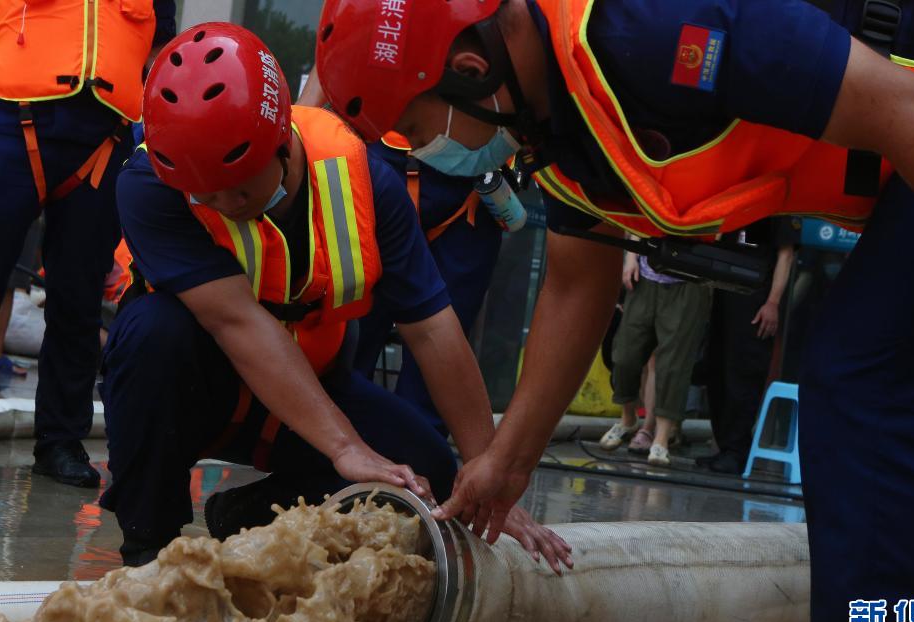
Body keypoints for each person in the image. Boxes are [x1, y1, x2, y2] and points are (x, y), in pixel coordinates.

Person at [315, 1, 914, 622]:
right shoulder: (554, 116)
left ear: (470, 69)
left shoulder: (652, 24)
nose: (428, 151)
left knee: (871, 389)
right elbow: (575, 282)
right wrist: (505, 464)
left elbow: (909, 110)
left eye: (416, 129)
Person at [101, 24, 570, 573]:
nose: (225, 203)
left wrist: (489, 469)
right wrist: (345, 448)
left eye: (241, 185)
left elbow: (432, 329)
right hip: (194, 391)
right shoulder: (147, 183)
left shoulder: (367, 182)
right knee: (154, 332)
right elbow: (237, 323)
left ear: (282, 141)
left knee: (426, 478)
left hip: (310, 384)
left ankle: (252, 516)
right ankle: (148, 546)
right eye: (206, 193)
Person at [0, 0, 176, 487]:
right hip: (8, 121)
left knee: (79, 295)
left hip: (104, 138)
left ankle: (60, 441)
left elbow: (160, 50)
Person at [353, 133, 503, 437]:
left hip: (473, 176)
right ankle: (335, 448)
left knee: (442, 343)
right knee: (354, 332)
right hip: (386, 155)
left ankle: (417, 458)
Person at [697, 217, 796, 475]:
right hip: (725, 292)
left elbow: (786, 255)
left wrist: (773, 302)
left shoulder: (779, 209)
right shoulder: (739, 205)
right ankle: (724, 445)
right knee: (717, 370)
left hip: (756, 300)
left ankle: (736, 450)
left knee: (742, 374)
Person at [598, 238, 711, 466]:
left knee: (673, 365)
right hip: (646, 275)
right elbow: (640, 221)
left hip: (689, 280)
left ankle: (661, 439)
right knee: (625, 355)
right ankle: (628, 419)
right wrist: (631, 258)